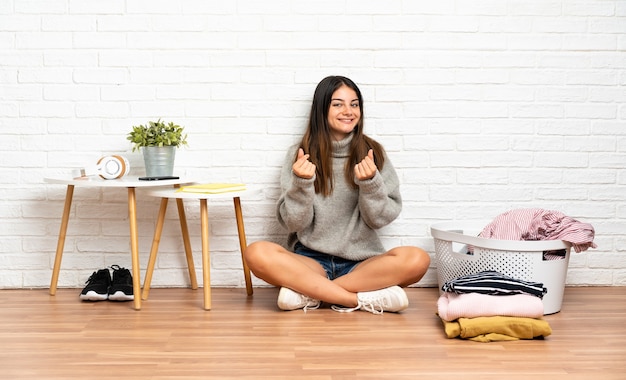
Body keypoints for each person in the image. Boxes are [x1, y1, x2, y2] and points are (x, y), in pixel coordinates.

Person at [244, 75, 430, 314]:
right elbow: (293, 223)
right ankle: (358, 300)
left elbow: (380, 220)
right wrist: (301, 184)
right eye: (338, 104)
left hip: (363, 264)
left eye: (354, 104)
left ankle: (310, 293)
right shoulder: (300, 154)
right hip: (311, 261)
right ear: (322, 109)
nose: (349, 111)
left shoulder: (374, 153)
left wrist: (370, 184)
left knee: (417, 259)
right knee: (257, 253)